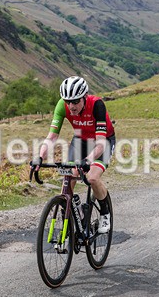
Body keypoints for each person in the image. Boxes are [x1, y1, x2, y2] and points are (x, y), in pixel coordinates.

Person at [31, 76, 116, 233]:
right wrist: (40, 157)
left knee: (92, 177)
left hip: (102, 142)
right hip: (80, 140)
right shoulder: (62, 106)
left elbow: (100, 142)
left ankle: (105, 213)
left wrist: (88, 160)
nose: (72, 106)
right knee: (69, 178)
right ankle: (74, 212)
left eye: (76, 101)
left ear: (84, 97)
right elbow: (52, 137)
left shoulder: (97, 105)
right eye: (68, 101)